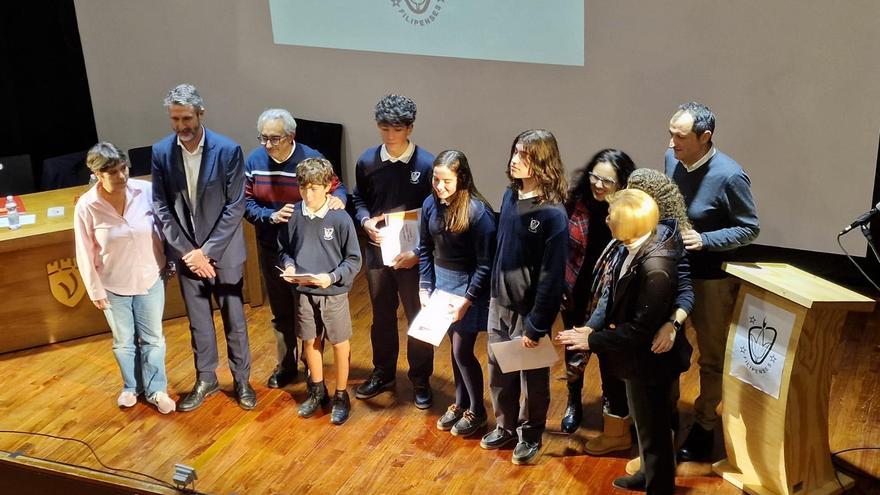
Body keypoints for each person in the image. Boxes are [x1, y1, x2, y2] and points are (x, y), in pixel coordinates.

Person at [558, 189, 692, 494]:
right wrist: (589, 329)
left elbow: (639, 330)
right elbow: (611, 296)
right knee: (643, 424)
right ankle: (646, 474)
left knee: (656, 430)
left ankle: (659, 487)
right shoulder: (628, 246)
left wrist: (593, 341)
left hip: (651, 361)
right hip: (635, 358)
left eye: (611, 216)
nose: (606, 219)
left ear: (629, 224)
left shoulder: (655, 268)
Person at [151, 83, 255, 412]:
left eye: (186, 118)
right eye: (175, 119)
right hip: (187, 255)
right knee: (198, 322)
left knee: (234, 320)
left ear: (201, 113)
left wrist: (206, 252)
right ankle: (206, 378)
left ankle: (242, 380)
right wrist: (189, 253)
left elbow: (235, 206)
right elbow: (161, 206)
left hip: (223, 254)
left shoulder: (227, 150)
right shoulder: (161, 152)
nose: (181, 125)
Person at [666, 102, 759, 462]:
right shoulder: (671, 159)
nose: (671, 143)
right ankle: (667, 413)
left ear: (705, 137)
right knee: (667, 345)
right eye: (670, 134)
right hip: (673, 271)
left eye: (680, 136)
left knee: (712, 356)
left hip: (710, 279)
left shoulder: (730, 176)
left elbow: (749, 228)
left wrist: (705, 240)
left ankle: (705, 425)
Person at [480, 129, 568, 465]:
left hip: (528, 311)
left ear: (542, 162)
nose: (515, 160)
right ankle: (505, 426)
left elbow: (552, 276)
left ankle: (530, 434)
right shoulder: (509, 195)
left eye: (524, 155)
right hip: (499, 301)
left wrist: (536, 324)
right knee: (498, 370)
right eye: (515, 152)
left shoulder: (552, 214)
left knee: (532, 377)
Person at [244, 108, 347, 389]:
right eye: (263, 138)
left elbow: (337, 188)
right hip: (272, 245)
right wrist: (270, 216)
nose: (267, 144)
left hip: (309, 247)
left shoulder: (311, 158)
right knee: (281, 309)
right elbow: (246, 203)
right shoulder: (254, 161)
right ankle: (286, 365)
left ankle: (313, 368)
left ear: (291, 136)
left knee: (310, 310)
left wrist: (338, 200)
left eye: (274, 138)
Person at [74, 142, 175, 415]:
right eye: (113, 173)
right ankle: (132, 387)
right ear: (97, 174)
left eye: (123, 169)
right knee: (124, 341)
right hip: (112, 284)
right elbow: (84, 251)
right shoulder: (87, 206)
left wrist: (171, 260)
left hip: (150, 277)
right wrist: (95, 289)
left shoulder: (145, 191)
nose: (121, 176)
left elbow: (165, 228)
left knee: (153, 339)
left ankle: (156, 390)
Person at [350, 94, 435, 408]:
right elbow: (358, 198)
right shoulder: (367, 161)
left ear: (410, 128)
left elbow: (436, 213)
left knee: (418, 316)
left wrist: (420, 252)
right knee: (382, 314)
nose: (390, 135)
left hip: (414, 255)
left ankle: (421, 379)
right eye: (384, 128)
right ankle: (383, 372)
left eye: (397, 129)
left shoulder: (426, 164)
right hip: (378, 251)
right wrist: (365, 222)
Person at [419, 150, 497, 437]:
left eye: (446, 181)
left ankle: (478, 411)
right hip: (442, 284)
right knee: (454, 348)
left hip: (468, 288)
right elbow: (425, 248)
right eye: (436, 180)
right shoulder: (430, 204)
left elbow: (485, 264)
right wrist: (424, 286)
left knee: (462, 350)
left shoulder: (478, 212)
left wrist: (467, 300)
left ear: (461, 178)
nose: (439, 187)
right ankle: (461, 402)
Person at [559, 149, 635, 440]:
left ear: (622, 184)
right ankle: (573, 400)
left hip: (610, 294)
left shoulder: (630, 212)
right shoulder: (576, 203)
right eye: (595, 177)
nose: (598, 185)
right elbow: (561, 247)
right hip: (576, 287)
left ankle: (610, 404)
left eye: (607, 181)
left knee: (608, 351)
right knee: (573, 346)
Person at [280, 158, 361, 425]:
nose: (308, 194)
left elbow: (353, 259)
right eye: (303, 188)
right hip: (303, 291)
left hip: (333, 292)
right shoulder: (293, 215)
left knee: (339, 342)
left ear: (327, 187)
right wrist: (289, 266)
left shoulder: (340, 218)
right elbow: (284, 249)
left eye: (314, 188)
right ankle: (317, 390)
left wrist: (332, 277)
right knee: (309, 340)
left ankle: (341, 395)